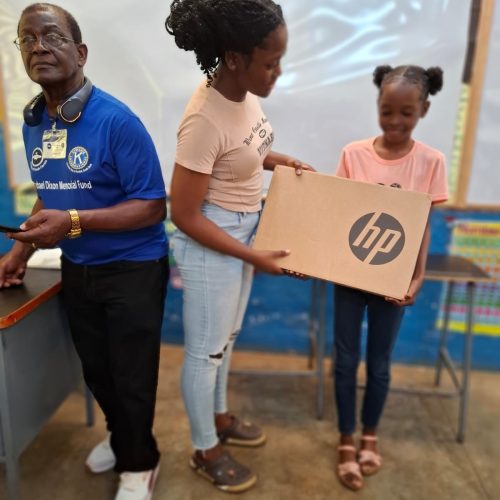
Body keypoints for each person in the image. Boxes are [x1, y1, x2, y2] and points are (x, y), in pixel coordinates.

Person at [0, 4, 169, 499]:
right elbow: (51, 194)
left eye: (51, 37)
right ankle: (123, 440)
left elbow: (152, 207)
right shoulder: (35, 122)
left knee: (131, 378)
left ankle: (141, 463)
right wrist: (19, 254)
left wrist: (73, 222)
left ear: (80, 52)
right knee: (96, 372)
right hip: (78, 267)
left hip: (133, 268)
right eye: (27, 39)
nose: (38, 47)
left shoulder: (117, 121)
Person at [165, 0, 313, 493]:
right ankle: (204, 448)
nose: (278, 73)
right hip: (213, 242)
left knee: (225, 340)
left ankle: (220, 417)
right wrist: (251, 256)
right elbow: (184, 214)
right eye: (270, 63)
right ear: (233, 58)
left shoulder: (243, 94)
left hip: (243, 234)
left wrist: (281, 161)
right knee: (205, 352)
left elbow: (243, 150)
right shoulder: (203, 120)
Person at [333, 64, 449, 491]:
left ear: (424, 110)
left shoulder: (431, 161)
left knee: (379, 364)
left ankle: (370, 434)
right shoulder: (353, 154)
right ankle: (346, 438)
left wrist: (417, 278)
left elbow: (423, 226)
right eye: (386, 111)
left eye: (406, 112)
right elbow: (340, 214)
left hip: (392, 281)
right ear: (377, 106)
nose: (395, 121)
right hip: (349, 276)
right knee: (345, 361)